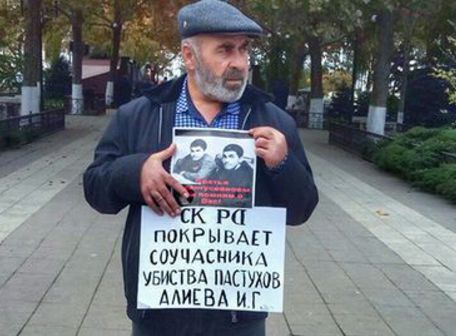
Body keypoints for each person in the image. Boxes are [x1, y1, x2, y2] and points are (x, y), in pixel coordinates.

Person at [83, 1, 319, 335]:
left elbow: (302, 209)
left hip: (240, 315)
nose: (239, 63)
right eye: (225, 50)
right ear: (189, 57)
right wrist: (134, 173)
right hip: (160, 308)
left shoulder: (274, 121)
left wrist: (283, 165)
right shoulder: (140, 115)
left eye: (244, 49)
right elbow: (95, 189)